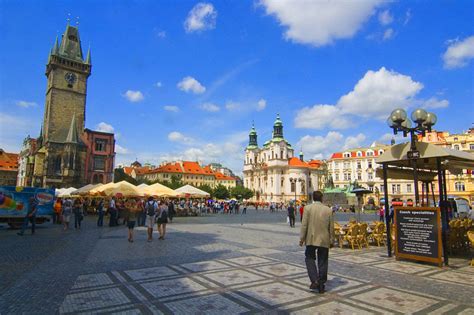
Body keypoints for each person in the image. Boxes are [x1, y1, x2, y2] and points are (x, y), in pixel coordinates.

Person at [299, 191, 334, 294]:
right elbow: (331, 227)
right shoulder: (328, 210)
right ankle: (321, 284)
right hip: (324, 239)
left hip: (311, 238)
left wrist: (302, 239)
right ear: (322, 198)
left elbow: (304, 225)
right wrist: (332, 240)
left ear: (313, 198)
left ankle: (314, 280)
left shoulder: (308, 208)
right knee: (323, 261)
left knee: (309, 258)